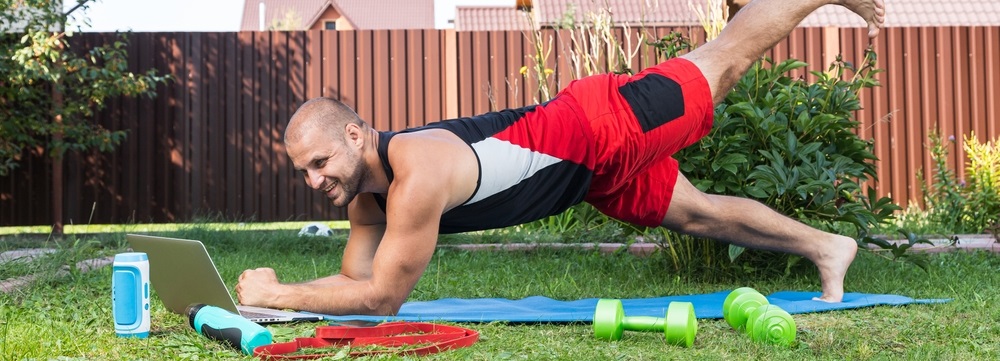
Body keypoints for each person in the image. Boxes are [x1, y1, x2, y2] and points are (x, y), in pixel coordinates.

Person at [236, 0, 886, 316]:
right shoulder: (369, 200)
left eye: (320, 161)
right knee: (703, 216)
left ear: (356, 136)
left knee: (727, 57)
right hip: (589, 175)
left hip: (605, 126)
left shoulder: (416, 174)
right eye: (305, 171)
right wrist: (270, 304)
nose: (314, 179)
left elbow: (383, 296)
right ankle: (829, 248)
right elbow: (356, 289)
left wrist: (277, 291)